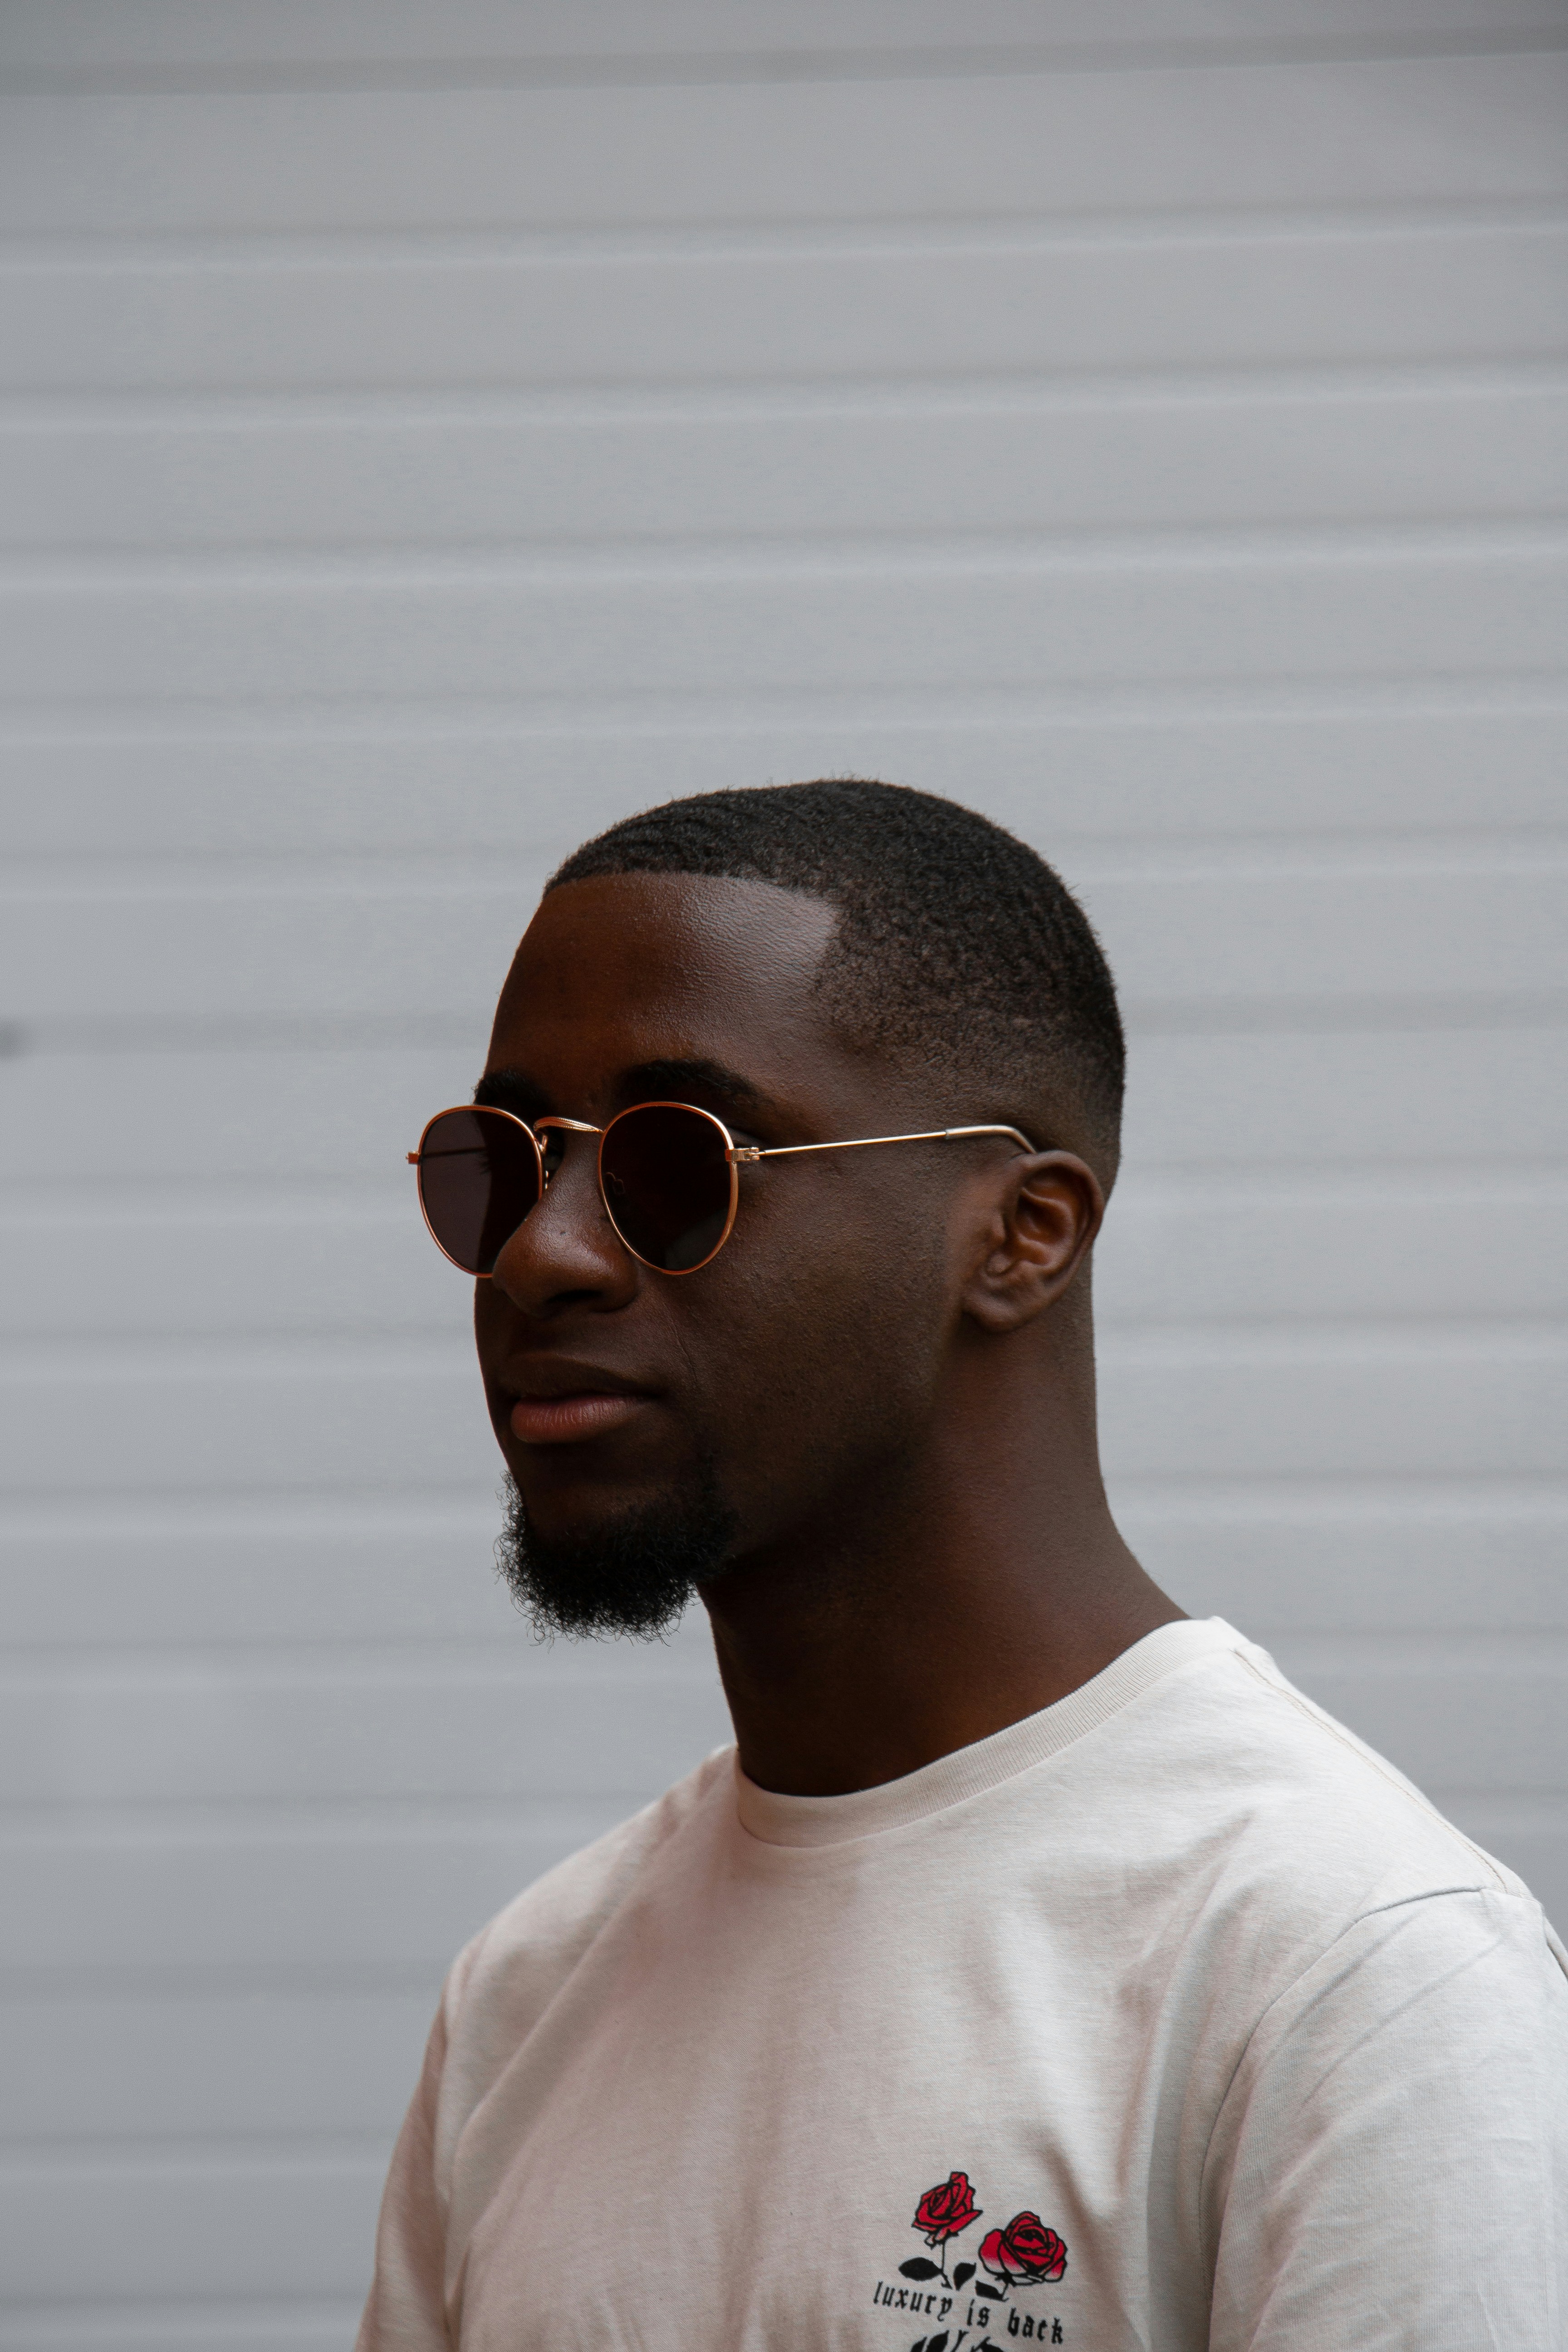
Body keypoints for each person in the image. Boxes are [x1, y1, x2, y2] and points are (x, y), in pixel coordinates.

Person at [359, 779, 1567, 2352]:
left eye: (678, 1161)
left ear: (1024, 1235)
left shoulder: (1343, 1976)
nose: (543, 1252)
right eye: (503, 1163)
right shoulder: (525, 1999)